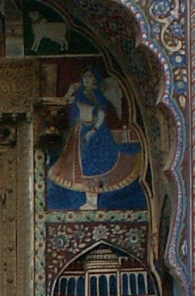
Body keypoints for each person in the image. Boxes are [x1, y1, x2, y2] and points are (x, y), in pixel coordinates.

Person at [48, 67, 144, 210]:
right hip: (79, 133)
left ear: (95, 80)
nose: (87, 80)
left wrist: (93, 130)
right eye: (85, 77)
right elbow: (66, 102)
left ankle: (94, 202)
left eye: (90, 77)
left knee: (94, 167)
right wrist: (70, 90)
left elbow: (101, 114)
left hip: (96, 134)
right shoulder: (80, 93)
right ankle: (88, 201)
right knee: (80, 167)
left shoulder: (97, 95)